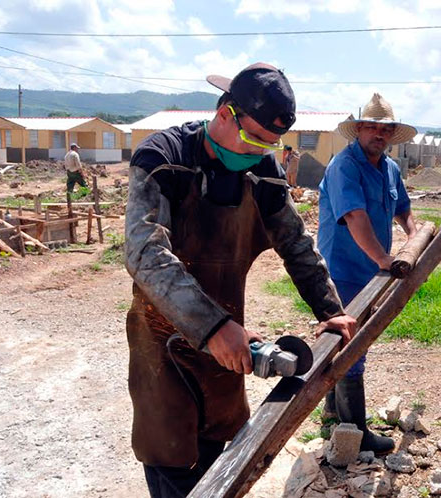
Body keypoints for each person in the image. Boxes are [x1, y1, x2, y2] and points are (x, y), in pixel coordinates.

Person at [124, 62, 357, 498]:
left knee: (219, 453)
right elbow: (145, 253)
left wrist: (331, 310)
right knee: (171, 457)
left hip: (228, 342)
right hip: (162, 341)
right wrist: (212, 326)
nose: (257, 153)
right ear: (226, 113)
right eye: (253, 140)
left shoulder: (263, 173)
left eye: (269, 144)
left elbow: (296, 244)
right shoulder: (164, 159)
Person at [317, 93, 418, 454]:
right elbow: (355, 217)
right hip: (342, 268)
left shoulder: (389, 168)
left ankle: (333, 408)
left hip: (372, 269)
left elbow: (403, 207)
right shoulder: (344, 166)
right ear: (358, 129)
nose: (379, 133)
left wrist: (413, 234)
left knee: (348, 339)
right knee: (351, 342)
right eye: (372, 126)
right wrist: (384, 258)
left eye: (385, 128)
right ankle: (354, 431)